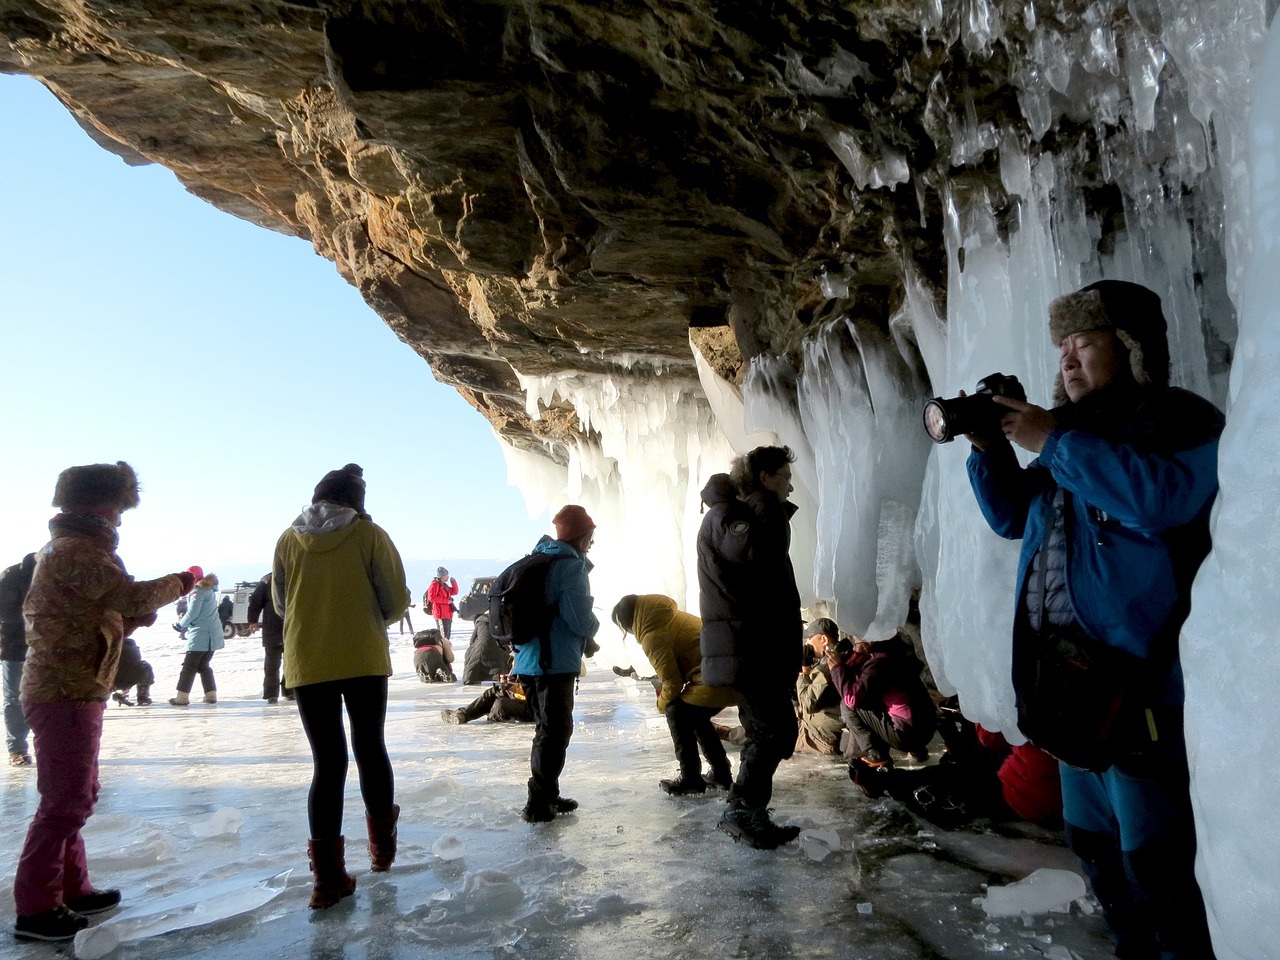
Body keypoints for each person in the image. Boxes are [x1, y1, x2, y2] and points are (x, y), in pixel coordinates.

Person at [965, 280, 1221, 960]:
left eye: (1085, 343)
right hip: (1067, 683)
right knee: (1098, 852)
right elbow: (1012, 517)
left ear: (1130, 346)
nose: (1068, 361)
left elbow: (1161, 502)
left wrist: (1052, 440)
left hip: (1142, 688)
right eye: (1063, 348)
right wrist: (990, 450)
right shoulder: (1070, 439)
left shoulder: (1179, 423)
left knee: (1156, 862)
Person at [14, 461, 193, 941]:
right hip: (63, 689)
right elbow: (128, 596)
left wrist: (125, 619)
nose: (120, 517)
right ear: (104, 503)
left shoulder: (73, 547)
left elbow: (93, 611)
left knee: (76, 796)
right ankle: (35, 908)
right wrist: (184, 580)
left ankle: (72, 889)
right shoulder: (79, 549)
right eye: (118, 506)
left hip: (74, 685)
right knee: (64, 802)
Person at [272, 463, 410, 909]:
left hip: (307, 661)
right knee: (370, 749)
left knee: (327, 764)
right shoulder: (370, 535)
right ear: (357, 499)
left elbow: (279, 601)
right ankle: (382, 852)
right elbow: (396, 599)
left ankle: (327, 881)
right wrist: (366, 619)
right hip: (363, 658)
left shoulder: (288, 540)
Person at [697, 446, 803, 850]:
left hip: (755, 645)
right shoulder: (730, 517)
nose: (789, 485)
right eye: (783, 476)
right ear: (764, 478)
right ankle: (742, 811)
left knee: (771, 731)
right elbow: (760, 557)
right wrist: (767, 505)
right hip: (749, 646)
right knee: (772, 733)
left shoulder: (738, 515)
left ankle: (747, 809)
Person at [514, 505, 600, 824]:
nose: (591, 543)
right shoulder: (570, 566)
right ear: (581, 536)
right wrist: (593, 628)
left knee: (546, 729)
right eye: (590, 537)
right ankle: (538, 802)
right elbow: (578, 618)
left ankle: (547, 793)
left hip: (528, 660)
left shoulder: (539, 558)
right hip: (554, 662)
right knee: (555, 731)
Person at [611, 594, 735, 795]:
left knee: (676, 711)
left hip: (714, 679)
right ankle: (720, 772)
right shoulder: (671, 616)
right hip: (726, 674)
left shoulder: (653, 636)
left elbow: (672, 683)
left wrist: (661, 705)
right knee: (695, 716)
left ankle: (690, 777)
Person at [828, 630, 937, 788]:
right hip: (925, 729)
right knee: (876, 699)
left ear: (869, 642)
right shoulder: (895, 653)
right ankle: (918, 752)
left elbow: (851, 698)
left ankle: (876, 756)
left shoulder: (880, 663)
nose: (855, 643)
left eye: (857, 640)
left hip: (907, 734)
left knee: (848, 706)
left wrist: (837, 668)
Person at [0, 552, 37, 766]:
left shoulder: (58, 575)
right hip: (14, 646)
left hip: (48, 645)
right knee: (15, 697)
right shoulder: (11, 576)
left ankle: (52, 747)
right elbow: (4, 613)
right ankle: (17, 749)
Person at [168, 566, 223, 705]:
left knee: (189, 667)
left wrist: (181, 624)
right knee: (203, 665)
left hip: (201, 635)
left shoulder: (197, 592)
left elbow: (193, 613)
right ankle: (211, 695)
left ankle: (182, 697)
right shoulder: (209, 590)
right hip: (212, 635)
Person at [795, 618, 845, 756]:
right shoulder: (836, 657)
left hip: (817, 739)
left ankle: (730, 734)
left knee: (768, 731)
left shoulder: (828, 666)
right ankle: (731, 733)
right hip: (813, 728)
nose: (806, 644)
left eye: (810, 639)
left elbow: (807, 703)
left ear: (823, 639)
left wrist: (804, 671)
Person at [248, 572, 290, 703]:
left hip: (291, 627)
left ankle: (290, 690)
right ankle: (271, 694)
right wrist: (252, 620)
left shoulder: (295, 575)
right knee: (272, 664)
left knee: (291, 663)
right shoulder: (267, 581)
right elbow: (255, 601)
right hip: (273, 627)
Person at [441, 674, 530, 724]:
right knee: (491, 693)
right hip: (519, 696)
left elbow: (538, 688)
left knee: (501, 704)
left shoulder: (537, 661)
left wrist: (516, 688)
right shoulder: (519, 658)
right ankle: (463, 714)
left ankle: (493, 728)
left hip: (533, 705)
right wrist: (508, 683)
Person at [460, 610, 508, 684]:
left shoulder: (480, 622)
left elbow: (472, 640)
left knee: (470, 653)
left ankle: (471, 677)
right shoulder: (501, 621)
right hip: (498, 649)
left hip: (481, 649)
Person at [111, 638, 154, 706]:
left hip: (106, 680)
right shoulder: (132, 647)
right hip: (126, 679)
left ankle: (122, 693)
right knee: (145, 666)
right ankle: (143, 696)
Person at [426, 567, 459, 640]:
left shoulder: (444, 586)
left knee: (447, 636)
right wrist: (446, 601)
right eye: (446, 575)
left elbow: (455, 592)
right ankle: (443, 650)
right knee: (443, 637)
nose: (448, 577)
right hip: (441, 614)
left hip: (447, 614)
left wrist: (453, 582)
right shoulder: (435, 585)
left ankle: (446, 650)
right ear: (442, 576)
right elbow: (431, 597)